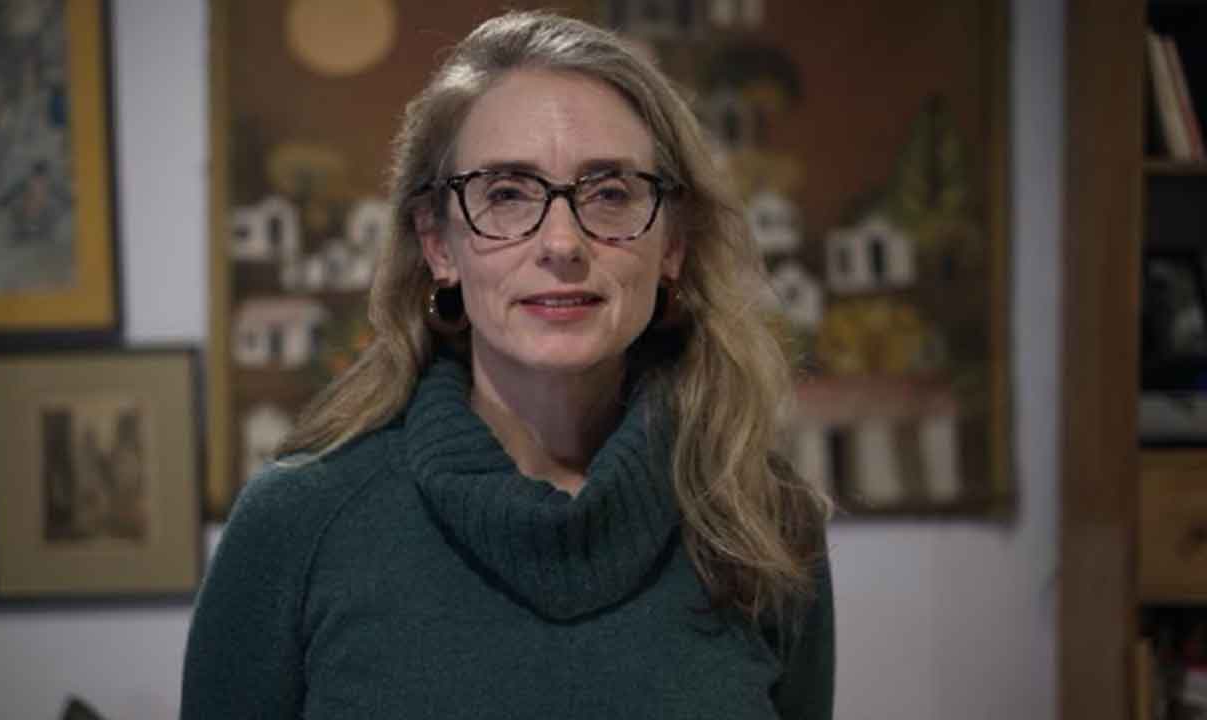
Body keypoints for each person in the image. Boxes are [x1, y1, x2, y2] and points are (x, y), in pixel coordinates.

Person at [181, 10, 834, 719]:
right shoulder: (297, 523)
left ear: (672, 244)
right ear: (438, 244)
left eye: (610, 194)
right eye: (506, 194)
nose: (563, 243)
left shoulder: (762, 520)